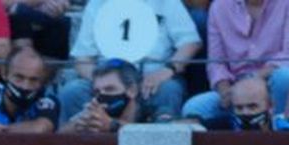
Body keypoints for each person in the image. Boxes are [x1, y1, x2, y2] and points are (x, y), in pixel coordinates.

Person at [61, 0, 200, 123]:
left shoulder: (167, 2)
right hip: (105, 78)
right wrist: (101, 82)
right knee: (72, 91)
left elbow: (190, 42)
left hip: (152, 79)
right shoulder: (97, 4)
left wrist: (168, 70)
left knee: (169, 89)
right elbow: (82, 58)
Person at [181, 0, 289, 125]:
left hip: (273, 82)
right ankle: (238, 132)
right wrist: (224, 90)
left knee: (286, 77)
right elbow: (216, 62)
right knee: (193, 108)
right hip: (235, 88)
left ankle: (283, 130)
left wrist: (253, 80)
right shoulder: (220, 6)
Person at [61, 57, 141, 132]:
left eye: (110, 89)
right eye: (97, 91)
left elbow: (145, 136)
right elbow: (59, 134)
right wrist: (78, 125)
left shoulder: (150, 109)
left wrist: (111, 125)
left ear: (132, 91)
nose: (102, 95)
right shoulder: (95, 110)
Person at [197, 70, 275, 128]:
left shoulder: (284, 129)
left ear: (270, 106)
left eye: (252, 107)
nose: (245, 112)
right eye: (239, 108)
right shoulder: (221, 127)